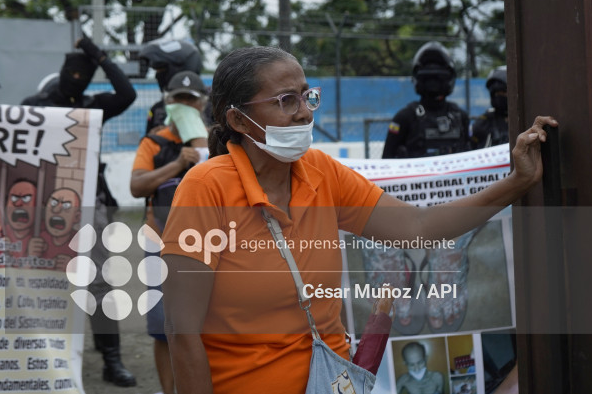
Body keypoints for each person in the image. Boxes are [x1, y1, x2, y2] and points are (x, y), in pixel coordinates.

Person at [160, 45, 555, 394]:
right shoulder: (205, 188)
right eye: (285, 101)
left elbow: (417, 229)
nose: (304, 112)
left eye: (307, 96)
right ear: (239, 120)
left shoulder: (321, 171)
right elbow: (181, 331)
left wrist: (517, 182)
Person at [22, 36, 138, 387]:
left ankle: (112, 360)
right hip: (44, 205)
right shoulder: (35, 107)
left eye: (83, 74)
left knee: (99, 282)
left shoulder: (93, 107)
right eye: (71, 72)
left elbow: (127, 94)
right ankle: (41, 358)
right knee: (43, 280)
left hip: (90, 204)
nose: (76, 78)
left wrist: (99, 55)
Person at [374, 42, 472, 334]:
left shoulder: (460, 117)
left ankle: (443, 283)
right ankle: (402, 279)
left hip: (453, 205)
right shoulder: (404, 118)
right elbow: (385, 167)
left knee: (451, 253)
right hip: (410, 209)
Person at [130, 70, 209, 394]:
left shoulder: (213, 141)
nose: (185, 105)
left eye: (192, 100)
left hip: (206, 243)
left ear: (202, 104)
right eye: (179, 99)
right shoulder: (153, 141)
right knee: (163, 326)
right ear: (168, 102)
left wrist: (200, 144)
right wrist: (177, 164)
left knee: (206, 322)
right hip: (159, 242)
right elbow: (136, 186)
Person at [138, 39, 205, 134]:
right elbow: (147, 140)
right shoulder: (157, 109)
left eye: (161, 70)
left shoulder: (209, 107)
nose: (157, 75)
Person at [471, 66, 508, 149]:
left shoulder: (526, 120)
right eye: (496, 93)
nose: (499, 96)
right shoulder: (483, 123)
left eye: (504, 92)